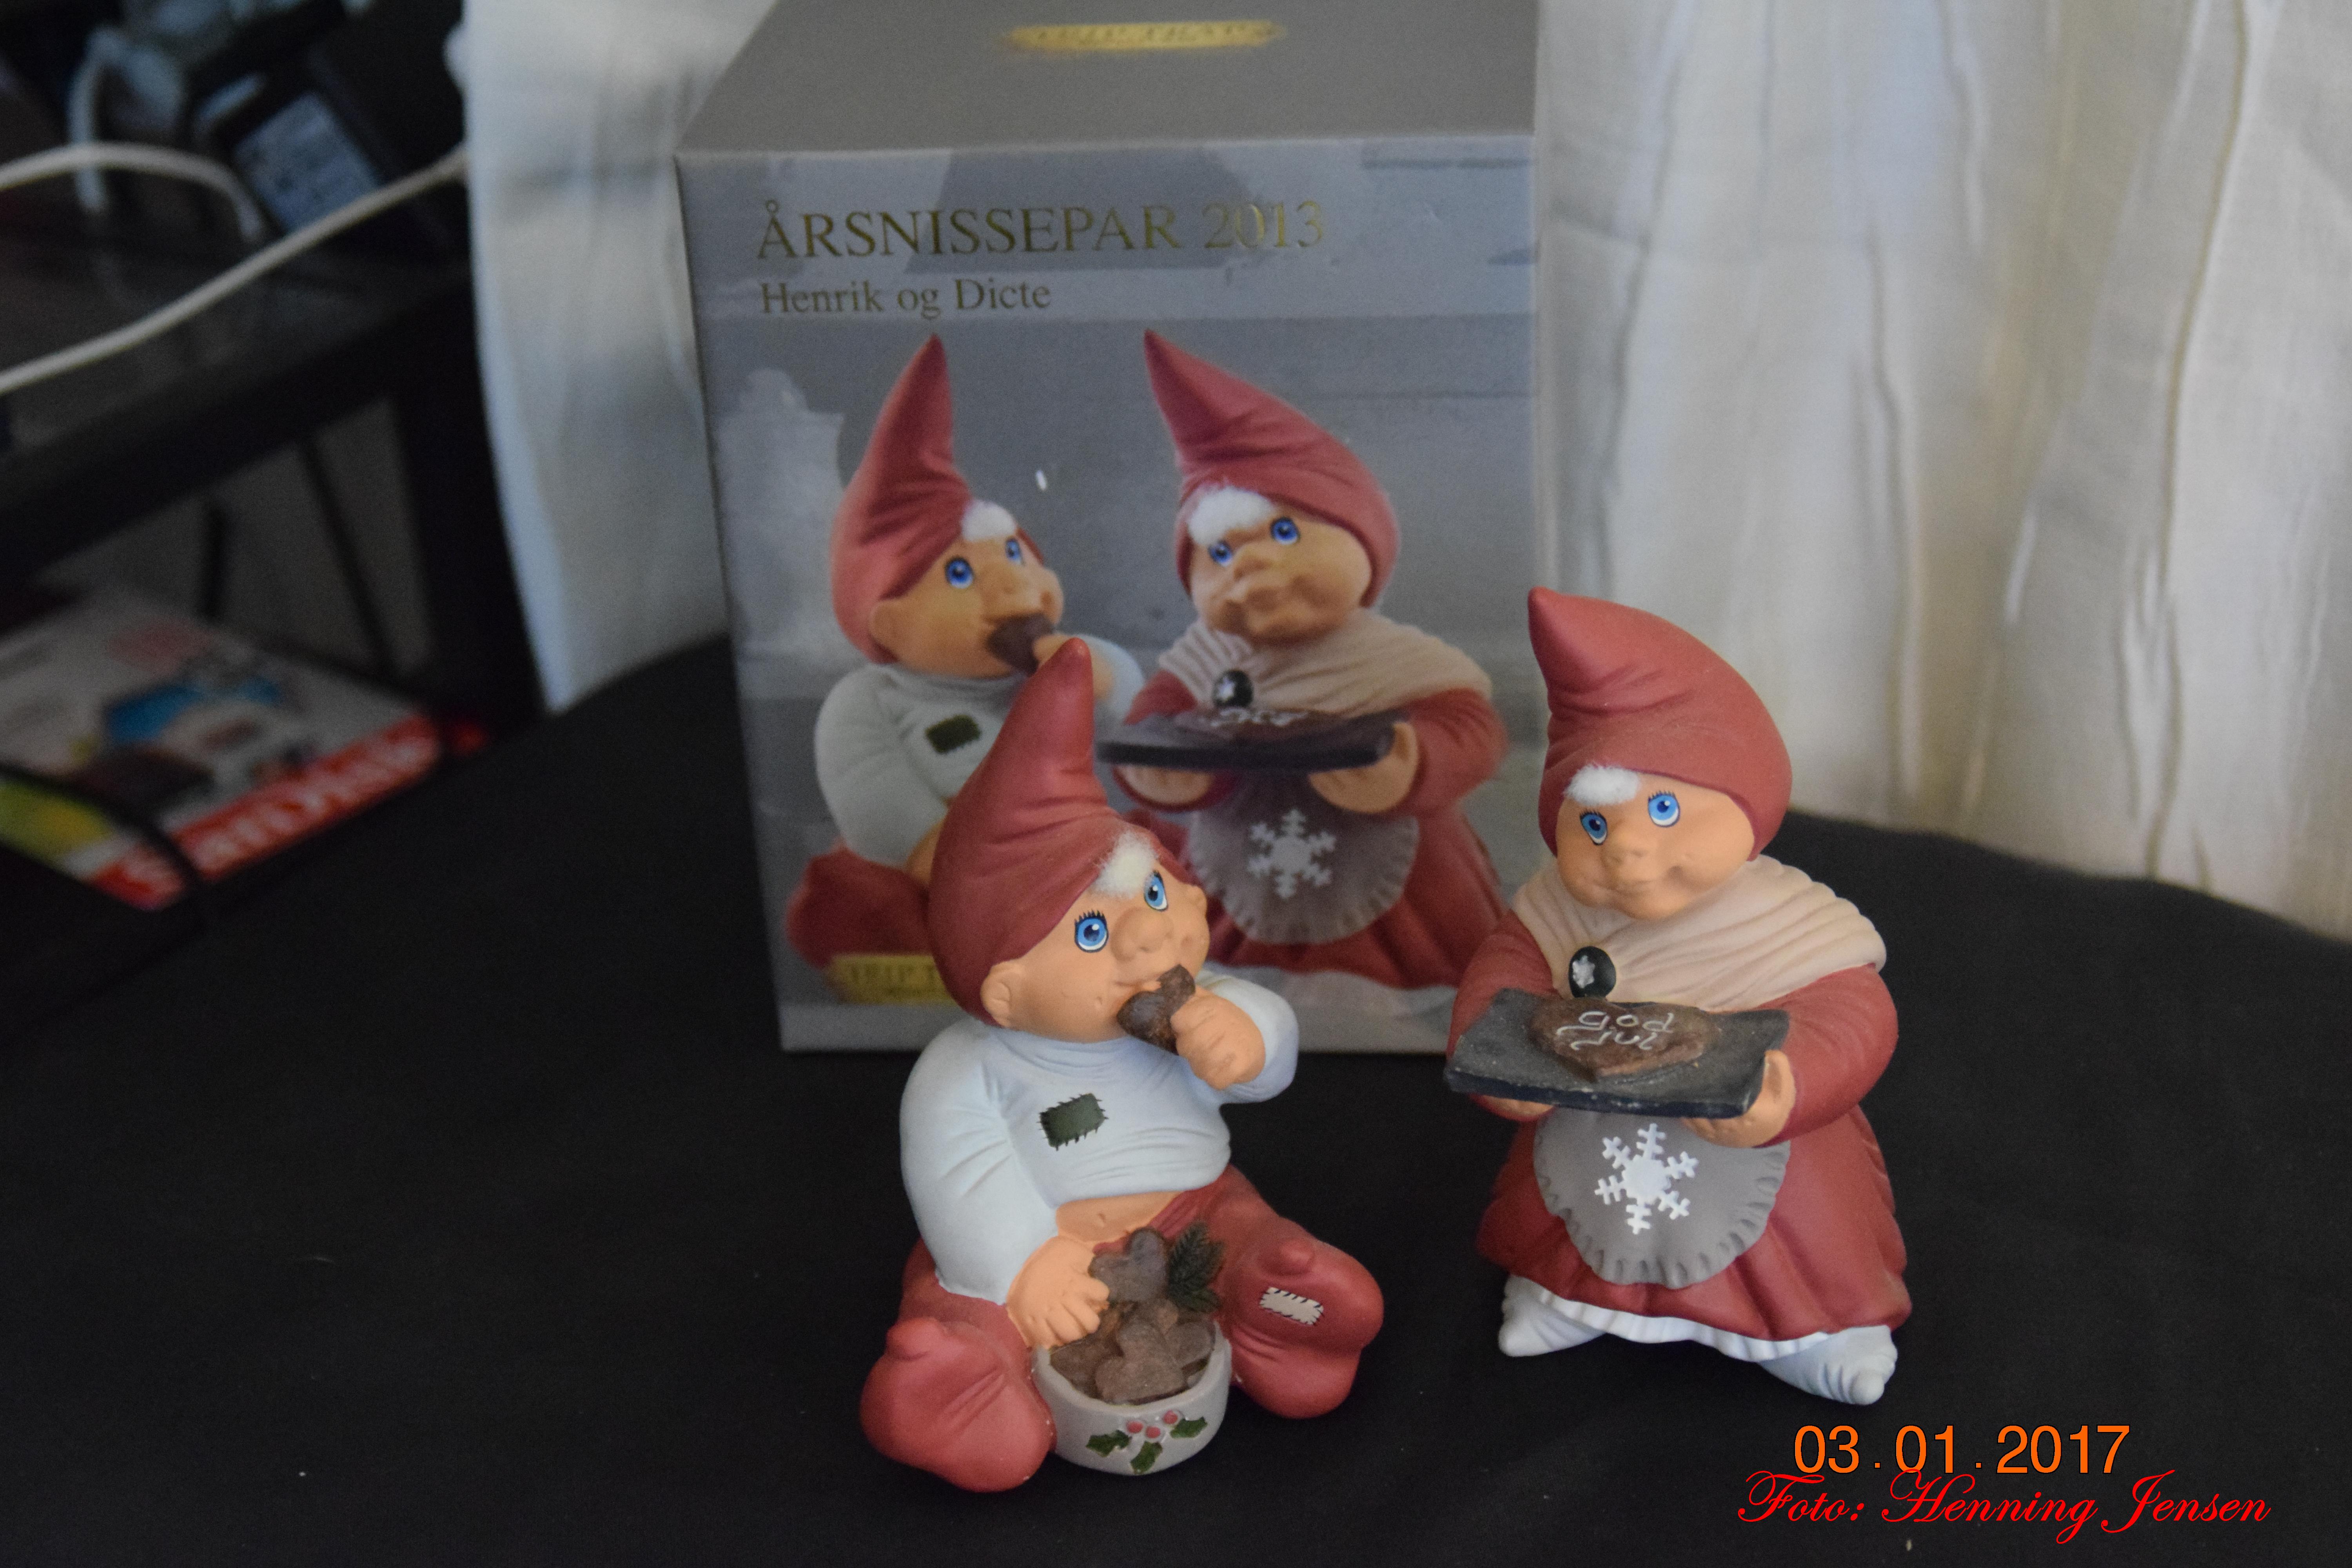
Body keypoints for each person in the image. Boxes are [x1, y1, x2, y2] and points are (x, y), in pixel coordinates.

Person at [861, 641, 1382, 1490]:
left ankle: (1279, 1311)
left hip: (1191, 1207)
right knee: (969, 1295)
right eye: (1093, 930)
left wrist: (1247, 1039)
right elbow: (959, 1174)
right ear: (1004, 990)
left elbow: (1264, 1050)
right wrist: (1023, 1264)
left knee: (1246, 1238)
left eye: (1154, 893)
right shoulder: (967, 1068)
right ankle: (967, 1384)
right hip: (1044, 1240)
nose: (1150, 937)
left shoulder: (1197, 1000)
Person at [1453, 589, 1909, 1405]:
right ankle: (1575, 1300)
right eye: (1595, 826)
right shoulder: (1553, 912)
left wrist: (1790, 1084)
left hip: (1755, 1154)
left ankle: (1809, 1330)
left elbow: (1854, 1018)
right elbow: (1505, 975)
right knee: (1574, 1220)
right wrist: (1501, 1060)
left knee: (1798, 1241)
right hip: (1592, 1132)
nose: (1626, 851)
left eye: (1664, 808)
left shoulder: (1790, 926)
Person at [1114, 332, 1506, 1012]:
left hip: (1386, 872)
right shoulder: (1203, 660)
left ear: (1364, 542)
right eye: (1221, 554)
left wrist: (1411, 765)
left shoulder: (1399, 660)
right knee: (1190, 950)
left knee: (1398, 967)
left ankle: (1378, 1009)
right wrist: (1162, 774)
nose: (1251, 564)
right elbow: (1150, 725)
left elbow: (1474, 732)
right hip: (1226, 864)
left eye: (1285, 533)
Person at [784, 337, 1141, 1000]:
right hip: (939, 862)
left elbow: (1132, 703)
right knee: (876, 914)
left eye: (1016, 554)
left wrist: (1098, 675)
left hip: (1059, 846)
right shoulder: (870, 699)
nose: (1015, 585)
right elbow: (871, 788)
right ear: (888, 623)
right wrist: (933, 847)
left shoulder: (1051, 668)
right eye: (959, 574)